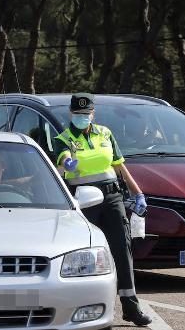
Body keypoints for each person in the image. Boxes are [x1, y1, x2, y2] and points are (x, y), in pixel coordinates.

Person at [54, 93, 152, 327]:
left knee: (122, 248)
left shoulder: (105, 133)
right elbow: (62, 160)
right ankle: (82, 309)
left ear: (93, 114)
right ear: (70, 114)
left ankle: (131, 305)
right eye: (78, 114)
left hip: (112, 197)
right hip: (83, 200)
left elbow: (119, 166)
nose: (82, 118)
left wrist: (138, 193)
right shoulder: (63, 137)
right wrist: (68, 162)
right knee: (84, 252)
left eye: (86, 114)